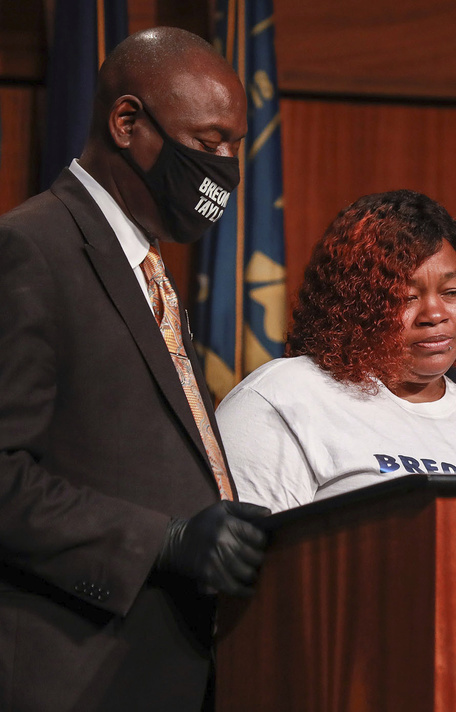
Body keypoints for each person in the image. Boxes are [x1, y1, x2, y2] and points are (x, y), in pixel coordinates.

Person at [0, 28, 271, 711]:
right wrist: (164, 540)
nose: (225, 168)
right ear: (127, 122)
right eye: (209, 143)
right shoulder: (32, 249)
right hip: (73, 678)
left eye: (235, 145)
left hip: (168, 672)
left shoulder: (146, 266)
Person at [217, 190, 456, 513]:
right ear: (354, 302)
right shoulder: (283, 398)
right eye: (406, 296)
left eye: (451, 292)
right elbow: (252, 556)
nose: (435, 313)